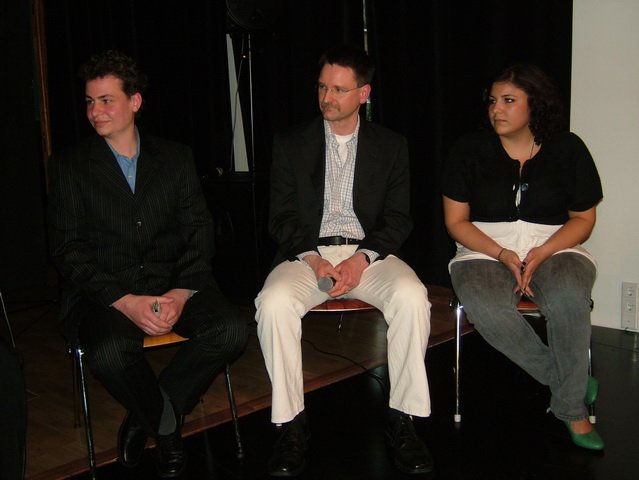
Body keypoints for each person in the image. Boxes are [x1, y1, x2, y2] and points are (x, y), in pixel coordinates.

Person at [48, 50, 248, 477]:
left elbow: (200, 231)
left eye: (107, 100)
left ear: (135, 101)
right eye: (90, 102)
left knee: (231, 329)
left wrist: (180, 293)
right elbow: (68, 250)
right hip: (106, 291)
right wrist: (124, 301)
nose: (95, 111)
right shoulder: (70, 167)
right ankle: (166, 426)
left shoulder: (175, 158)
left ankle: (148, 416)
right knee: (109, 352)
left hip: (172, 280)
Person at [255, 44, 433, 476]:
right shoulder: (291, 143)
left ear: (364, 93)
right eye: (322, 87)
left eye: (338, 89)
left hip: (368, 254)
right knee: (273, 304)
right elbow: (280, 217)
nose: (327, 97)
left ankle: (403, 418)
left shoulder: (390, 145)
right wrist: (314, 260)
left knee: (412, 297)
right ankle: (291, 423)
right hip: (307, 254)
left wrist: (362, 258)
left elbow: (398, 219)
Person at [442, 64, 604, 450]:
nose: (496, 109)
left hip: (556, 245)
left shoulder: (568, 148)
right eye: (493, 101)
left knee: (568, 297)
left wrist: (544, 252)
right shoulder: (468, 150)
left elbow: (584, 219)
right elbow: (456, 222)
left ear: (536, 105)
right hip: (483, 249)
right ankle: (570, 384)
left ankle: (571, 410)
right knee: (486, 306)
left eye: (509, 100)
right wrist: (501, 253)